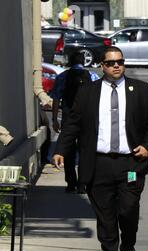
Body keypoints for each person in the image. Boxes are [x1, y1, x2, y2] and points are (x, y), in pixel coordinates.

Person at [53, 46, 148, 251]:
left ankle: (128, 246)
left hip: (130, 164)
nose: (116, 66)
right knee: (105, 214)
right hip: (98, 163)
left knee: (128, 208)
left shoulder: (140, 90)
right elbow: (73, 123)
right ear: (102, 65)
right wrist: (61, 149)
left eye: (120, 62)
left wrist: (147, 146)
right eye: (111, 62)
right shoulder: (88, 93)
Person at [51, 51, 100, 193]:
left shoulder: (62, 77)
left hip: (69, 119)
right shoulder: (92, 76)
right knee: (85, 152)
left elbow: (55, 99)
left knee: (69, 152)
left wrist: (54, 120)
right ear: (83, 62)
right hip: (88, 120)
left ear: (70, 62)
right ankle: (83, 184)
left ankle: (70, 183)